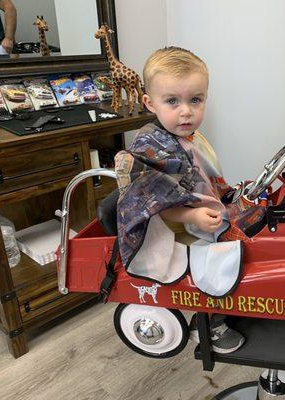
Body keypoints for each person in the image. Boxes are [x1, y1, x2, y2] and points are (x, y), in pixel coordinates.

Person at [115, 47, 245, 354]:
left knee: (245, 231)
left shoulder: (189, 136)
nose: (186, 111)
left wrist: (228, 196)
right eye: (172, 101)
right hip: (166, 228)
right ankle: (209, 324)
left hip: (196, 214)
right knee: (215, 254)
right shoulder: (149, 146)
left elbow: (206, 178)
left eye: (195, 100)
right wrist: (191, 217)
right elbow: (151, 201)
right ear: (150, 102)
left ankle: (229, 301)